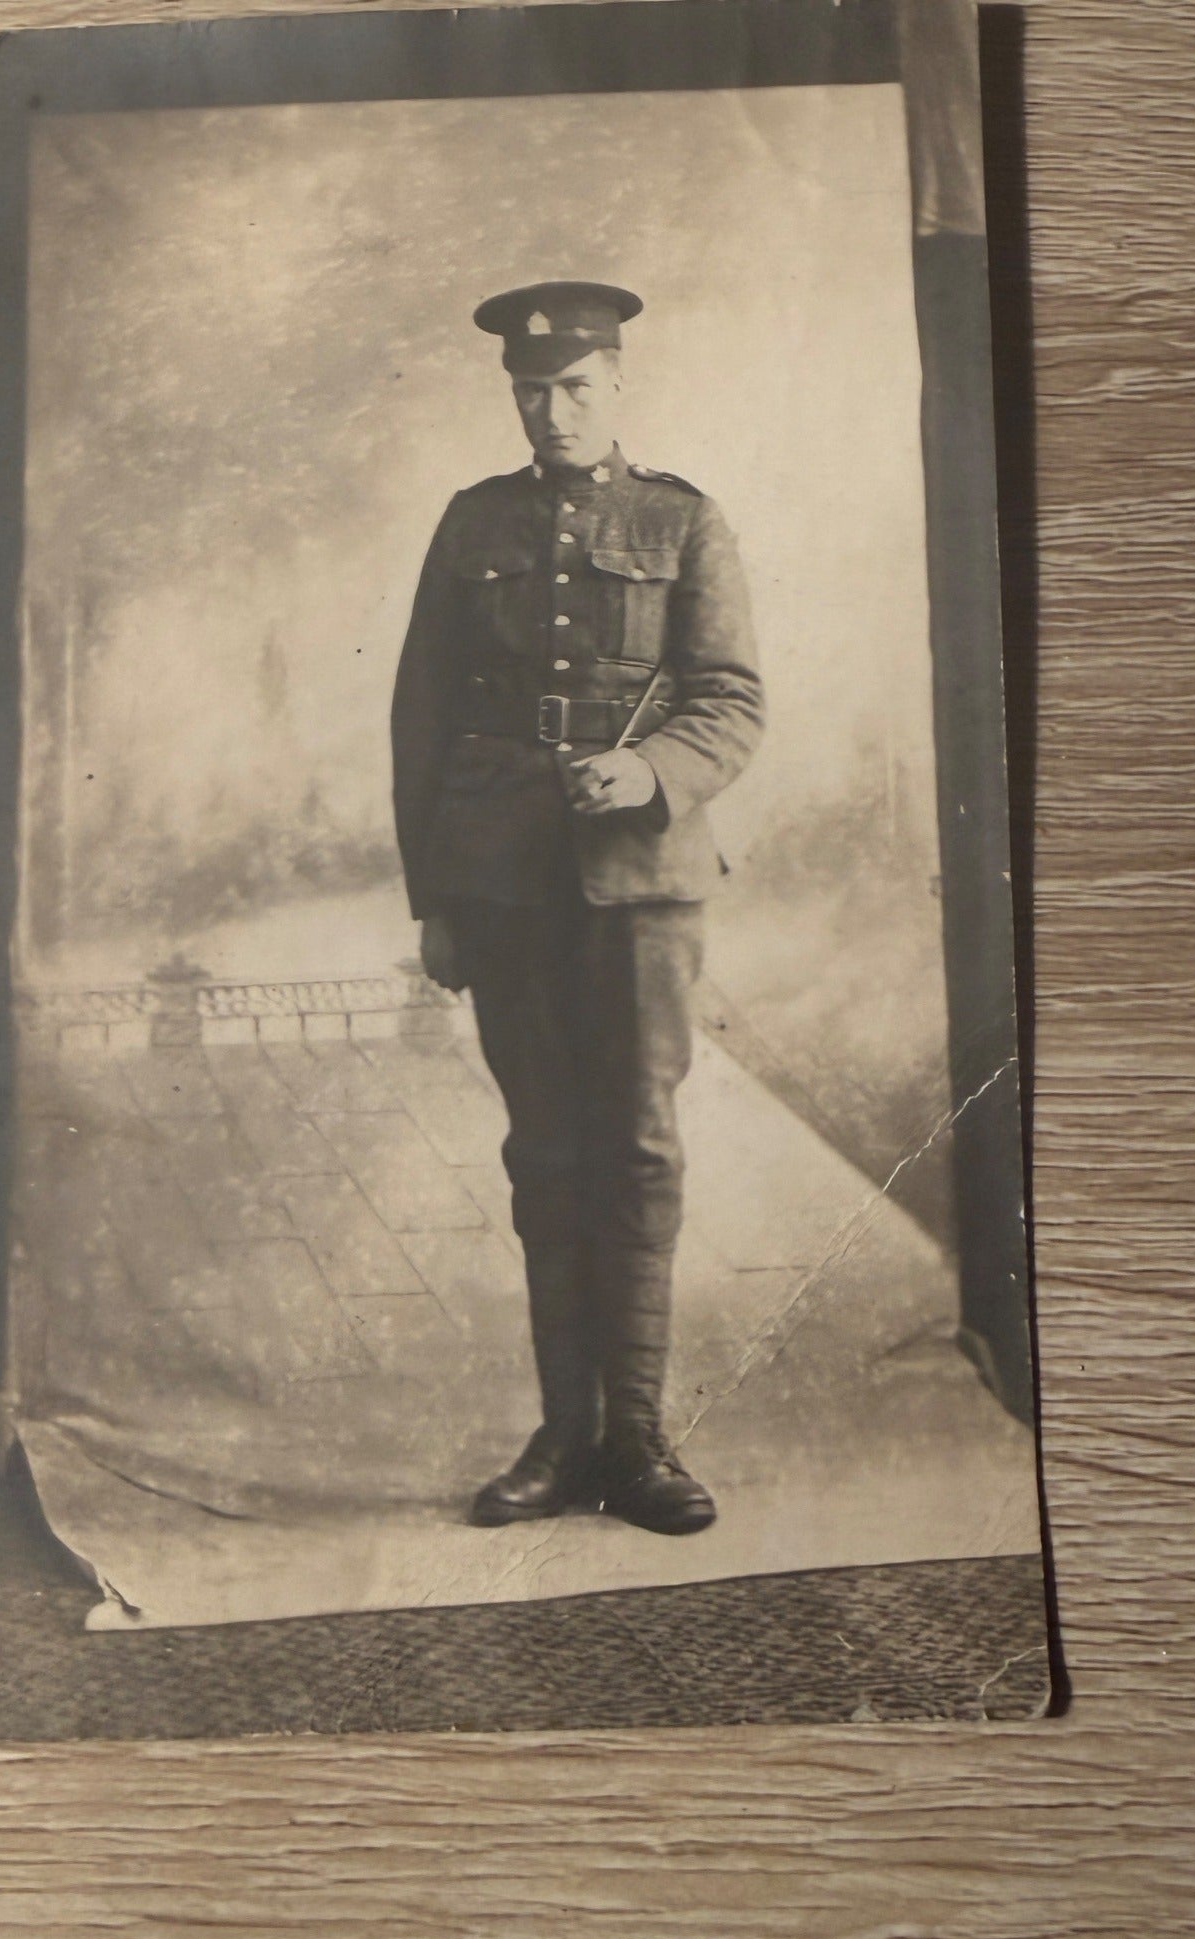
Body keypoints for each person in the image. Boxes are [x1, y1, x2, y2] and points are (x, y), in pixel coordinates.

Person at [390, 280, 764, 1535]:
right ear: (515, 397)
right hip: (503, 883)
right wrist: (434, 900)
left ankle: (641, 1441)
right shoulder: (470, 522)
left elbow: (731, 702)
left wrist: (650, 770)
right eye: (534, 392)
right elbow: (421, 722)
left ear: (618, 388)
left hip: (642, 885)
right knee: (542, 1152)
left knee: (638, 1147)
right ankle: (563, 1436)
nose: (556, 410)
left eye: (579, 388)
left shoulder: (685, 522)